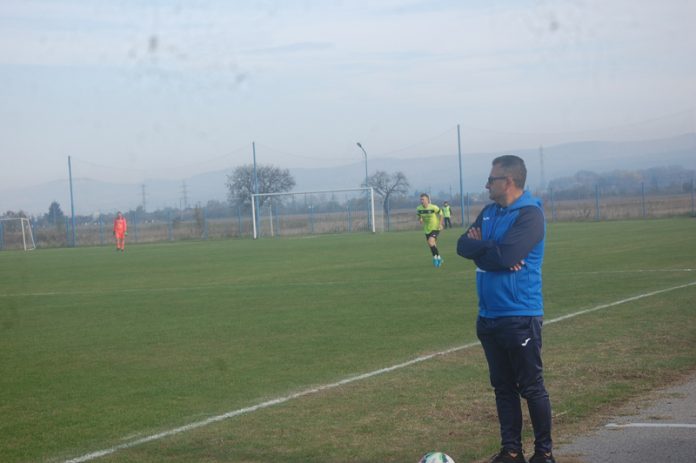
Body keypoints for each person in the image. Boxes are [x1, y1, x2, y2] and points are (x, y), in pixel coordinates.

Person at [456, 155, 554, 463]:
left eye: (491, 179)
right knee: (503, 388)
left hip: (519, 315)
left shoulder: (530, 215)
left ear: (508, 181)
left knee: (531, 387)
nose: (487, 185)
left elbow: (505, 256)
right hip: (489, 316)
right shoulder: (488, 212)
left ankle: (544, 453)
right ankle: (511, 452)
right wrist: (490, 249)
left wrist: (487, 249)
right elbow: (462, 246)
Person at [416, 193, 444, 268]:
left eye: (423, 199)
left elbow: (441, 214)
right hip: (427, 229)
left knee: (430, 241)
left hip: (435, 227)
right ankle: (439, 258)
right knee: (432, 244)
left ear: (427, 200)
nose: (421, 201)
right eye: (421, 199)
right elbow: (419, 216)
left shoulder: (433, 207)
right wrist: (420, 219)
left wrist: (440, 224)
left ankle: (435, 258)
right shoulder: (419, 208)